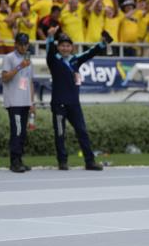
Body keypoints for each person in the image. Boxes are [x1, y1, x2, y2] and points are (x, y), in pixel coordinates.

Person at [45, 26, 110, 171]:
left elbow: (90, 53)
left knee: (82, 132)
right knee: (60, 134)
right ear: (58, 47)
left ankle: (90, 162)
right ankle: (62, 162)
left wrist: (102, 43)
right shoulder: (53, 60)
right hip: (59, 104)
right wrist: (50, 37)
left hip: (74, 104)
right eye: (62, 45)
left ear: (72, 47)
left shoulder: (75, 60)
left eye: (68, 46)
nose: (65, 48)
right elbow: (50, 51)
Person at [1, 33, 35, 173]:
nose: (23, 46)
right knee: (17, 131)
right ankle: (14, 162)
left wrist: (32, 102)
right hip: (14, 102)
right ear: (15, 44)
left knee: (22, 134)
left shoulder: (28, 59)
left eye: (25, 44)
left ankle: (19, 160)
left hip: (25, 101)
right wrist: (20, 66)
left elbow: (30, 82)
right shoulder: (9, 58)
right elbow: (4, 77)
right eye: (20, 44)